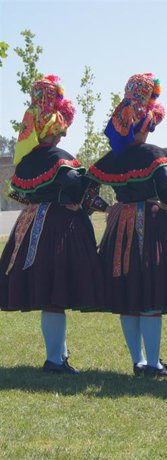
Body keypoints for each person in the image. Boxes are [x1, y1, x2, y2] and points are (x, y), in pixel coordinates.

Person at [0, 75, 106, 374]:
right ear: (55, 129)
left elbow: (20, 194)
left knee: (48, 294)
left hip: (30, 225)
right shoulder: (62, 160)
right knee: (56, 293)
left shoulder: (26, 164)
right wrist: (96, 205)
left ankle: (58, 355)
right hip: (60, 229)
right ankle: (55, 359)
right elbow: (82, 193)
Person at [88, 73, 167, 377]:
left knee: (127, 293)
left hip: (119, 225)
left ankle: (138, 360)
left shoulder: (111, 159)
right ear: (147, 122)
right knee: (150, 290)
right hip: (150, 223)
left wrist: (107, 207)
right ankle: (154, 362)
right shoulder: (151, 153)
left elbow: (86, 188)